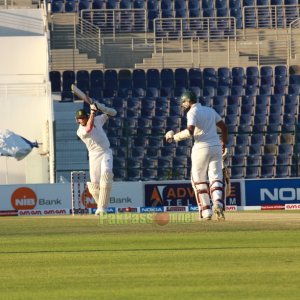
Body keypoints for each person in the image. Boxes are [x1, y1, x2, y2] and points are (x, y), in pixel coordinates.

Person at [165, 91, 228, 221]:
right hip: (216, 147)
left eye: (183, 103)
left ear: (188, 101)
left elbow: (190, 131)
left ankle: (206, 212)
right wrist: (223, 143)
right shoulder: (210, 110)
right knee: (216, 177)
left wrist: (173, 137)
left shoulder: (192, 112)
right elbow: (224, 127)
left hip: (201, 147)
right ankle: (218, 203)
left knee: (198, 181)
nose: (183, 105)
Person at [75, 100, 117, 216]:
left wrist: (102, 108)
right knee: (94, 186)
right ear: (77, 120)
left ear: (86, 116)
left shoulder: (97, 120)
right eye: (80, 119)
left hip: (105, 152)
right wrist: (93, 111)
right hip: (93, 155)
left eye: (83, 117)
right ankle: (102, 207)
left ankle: (102, 209)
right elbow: (88, 129)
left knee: (107, 174)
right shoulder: (80, 131)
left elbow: (114, 113)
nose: (81, 120)